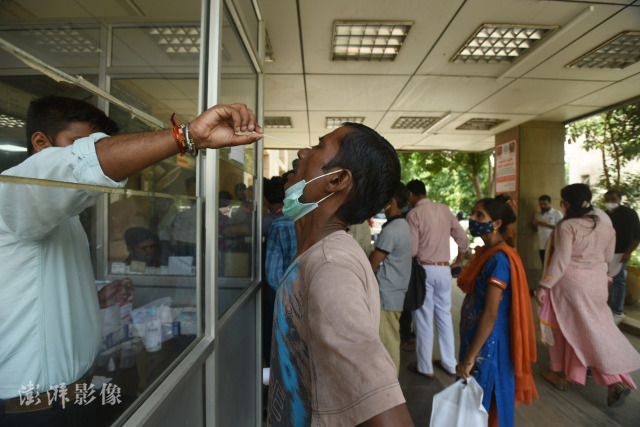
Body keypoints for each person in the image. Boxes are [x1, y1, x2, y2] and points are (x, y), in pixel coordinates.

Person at [0, 96, 262, 424]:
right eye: (77, 144)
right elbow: (80, 166)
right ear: (41, 143)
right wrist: (187, 136)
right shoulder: (12, 194)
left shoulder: (55, 216)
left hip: (72, 398)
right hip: (37, 411)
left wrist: (93, 301)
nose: (91, 155)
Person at [267, 123, 412, 426]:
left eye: (318, 146)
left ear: (336, 179)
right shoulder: (319, 255)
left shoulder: (330, 268)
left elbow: (388, 414)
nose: (302, 152)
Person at [536, 184, 640, 408]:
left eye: (563, 201)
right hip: (597, 284)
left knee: (567, 330)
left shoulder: (568, 226)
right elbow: (607, 255)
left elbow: (561, 262)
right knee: (595, 329)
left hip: (571, 285)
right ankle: (614, 380)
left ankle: (563, 375)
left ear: (567, 203)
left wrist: (544, 285)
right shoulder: (604, 223)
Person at [456, 196, 538, 427]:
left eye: (479, 216)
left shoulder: (499, 260)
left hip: (489, 345)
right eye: (472, 213)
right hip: (478, 338)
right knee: (475, 402)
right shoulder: (486, 253)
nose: (472, 219)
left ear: (497, 223)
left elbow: (491, 313)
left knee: (484, 403)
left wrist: (470, 358)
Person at [405, 179, 468, 378]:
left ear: (411, 195)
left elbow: (413, 250)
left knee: (423, 319)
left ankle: (425, 366)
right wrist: (460, 259)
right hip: (443, 270)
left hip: (424, 270)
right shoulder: (444, 209)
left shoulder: (413, 214)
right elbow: (463, 239)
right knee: (444, 316)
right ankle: (450, 363)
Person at [369, 183, 412, 375]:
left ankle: (390, 386)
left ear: (392, 202)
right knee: (390, 338)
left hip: (387, 294)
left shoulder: (392, 229)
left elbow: (374, 263)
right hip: (395, 291)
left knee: (388, 342)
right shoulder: (402, 225)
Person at [604, 189, 640, 325]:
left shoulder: (629, 213)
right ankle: (609, 308)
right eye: (607, 200)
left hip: (621, 253)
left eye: (613, 199)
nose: (610, 202)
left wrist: (628, 252)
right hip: (607, 253)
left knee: (619, 280)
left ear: (620, 199)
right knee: (608, 281)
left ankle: (618, 311)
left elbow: (637, 235)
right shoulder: (605, 215)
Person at [532, 194, 563, 265]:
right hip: (542, 245)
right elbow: (535, 230)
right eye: (540, 204)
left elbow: (561, 228)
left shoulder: (556, 213)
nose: (542, 206)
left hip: (553, 245)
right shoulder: (538, 214)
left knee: (552, 265)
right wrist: (534, 224)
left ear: (550, 203)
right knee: (544, 266)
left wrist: (546, 224)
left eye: (545, 204)